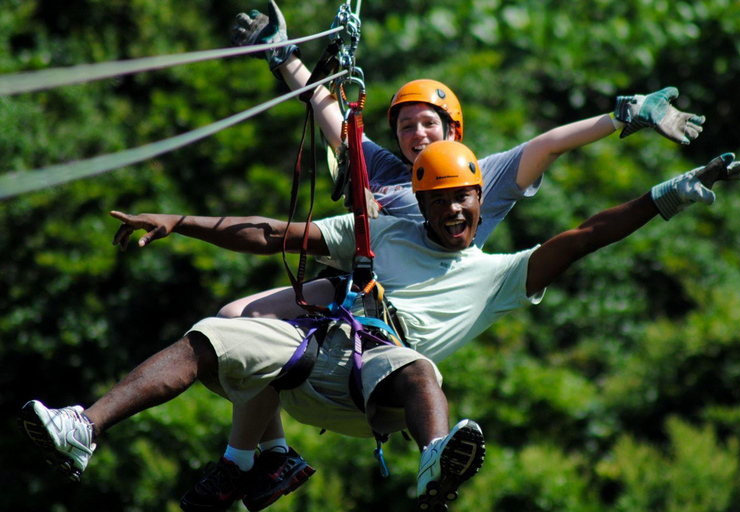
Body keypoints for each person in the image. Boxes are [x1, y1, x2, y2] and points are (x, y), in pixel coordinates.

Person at [171, 2, 710, 510]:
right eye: (406, 126)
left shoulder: (476, 175)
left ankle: (256, 458)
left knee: (252, 329)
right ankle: (274, 456)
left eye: (428, 123)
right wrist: (284, 57)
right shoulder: (383, 170)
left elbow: (547, 146)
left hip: (397, 310)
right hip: (350, 292)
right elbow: (329, 111)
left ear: (454, 130)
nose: (416, 133)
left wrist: (625, 116)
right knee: (235, 318)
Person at [20, 141, 740, 511]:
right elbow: (273, 232)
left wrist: (668, 194)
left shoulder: (498, 275)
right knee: (208, 336)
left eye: (468, 200)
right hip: (317, 346)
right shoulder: (383, 233)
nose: (459, 213)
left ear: (478, 202)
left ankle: (437, 459)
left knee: (417, 367)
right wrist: (179, 222)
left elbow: (586, 233)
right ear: (422, 204)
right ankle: (85, 428)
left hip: (378, 390)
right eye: (445, 203)